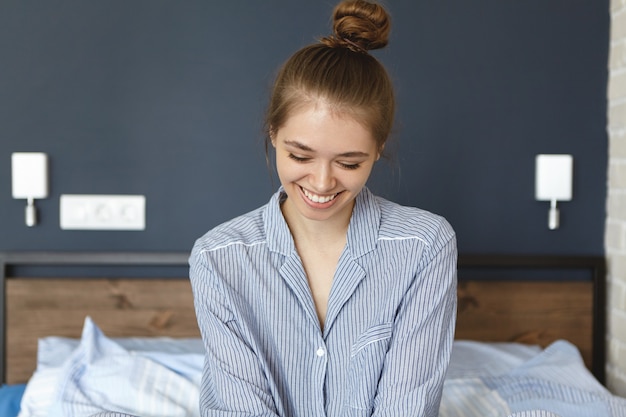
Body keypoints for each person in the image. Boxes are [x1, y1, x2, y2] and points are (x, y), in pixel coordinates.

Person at [189, 1, 457, 416]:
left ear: (377, 150)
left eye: (349, 163)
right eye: (301, 156)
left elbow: (405, 405)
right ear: (273, 132)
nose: (321, 182)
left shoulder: (424, 247)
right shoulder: (219, 259)